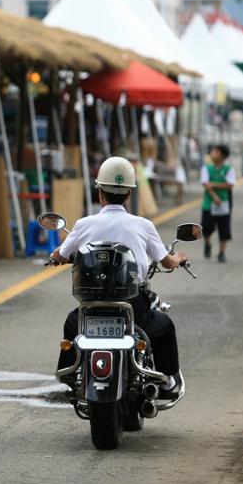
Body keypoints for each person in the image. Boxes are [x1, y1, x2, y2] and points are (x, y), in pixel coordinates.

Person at [50, 156, 189, 400]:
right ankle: (167, 382)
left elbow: (60, 255)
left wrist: (56, 257)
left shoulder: (84, 224)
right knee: (165, 327)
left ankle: (69, 375)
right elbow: (166, 261)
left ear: (100, 192)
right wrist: (179, 257)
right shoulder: (143, 225)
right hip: (133, 307)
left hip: (90, 309)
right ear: (128, 195)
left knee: (72, 324)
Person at [200, 145, 236, 263]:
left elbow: (230, 184)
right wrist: (214, 196)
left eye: (216, 152)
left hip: (223, 203)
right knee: (206, 227)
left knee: (224, 228)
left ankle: (222, 252)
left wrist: (213, 184)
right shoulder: (207, 168)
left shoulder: (228, 169)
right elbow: (205, 183)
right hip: (209, 203)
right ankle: (207, 243)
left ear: (223, 156)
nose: (212, 153)